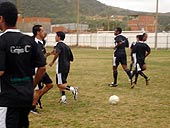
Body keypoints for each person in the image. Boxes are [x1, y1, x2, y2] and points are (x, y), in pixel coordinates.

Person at [0, 2, 46, 128]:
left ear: (1, 18)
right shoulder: (29, 41)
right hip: (26, 96)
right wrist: (32, 85)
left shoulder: (2, 41)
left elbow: (1, 71)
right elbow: (42, 67)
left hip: (7, 99)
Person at [49, 31, 78, 104]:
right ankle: (63, 98)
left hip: (60, 67)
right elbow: (71, 58)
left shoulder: (58, 45)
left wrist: (52, 62)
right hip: (67, 67)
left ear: (59, 37)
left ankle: (73, 89)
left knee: (59, 84)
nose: (55, 37)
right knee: (62, 82)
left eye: (56, 36)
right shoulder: (66, 46)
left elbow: (57, 53)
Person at [30, 25, 53, 114]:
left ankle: (36, 99)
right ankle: (32, 107)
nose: (44, 32)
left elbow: (41, 56)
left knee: (49, 85)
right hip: (37, 69)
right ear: (38, 32)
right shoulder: (34, 43)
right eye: (42, 31)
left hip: (42, 68)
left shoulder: (41, 42)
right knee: (38, 89)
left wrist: (48, 54)